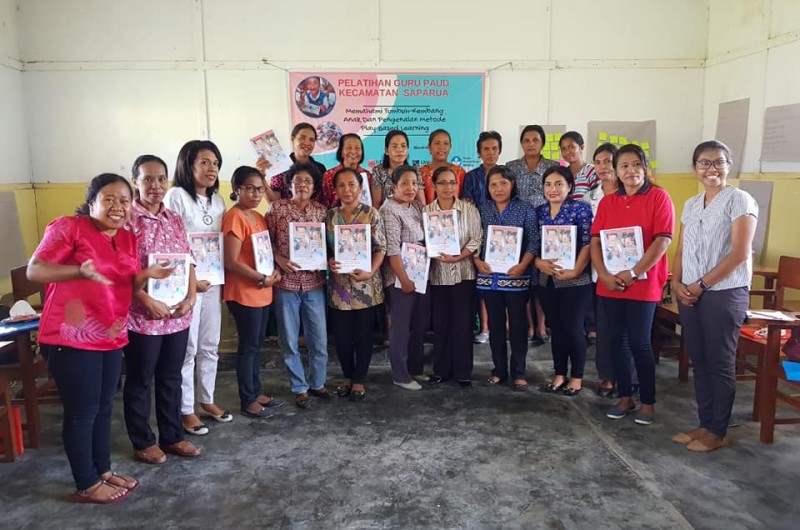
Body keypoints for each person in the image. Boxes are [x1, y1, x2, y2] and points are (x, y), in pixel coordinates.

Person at [27, 174, 172, 504]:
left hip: (111, 333)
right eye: (109, 199)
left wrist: (146, 276)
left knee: (105, 407)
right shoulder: (69, 227)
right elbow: (35, 270)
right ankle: (86, 482)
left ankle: (102, 471)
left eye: (124, 200)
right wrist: (78, 271)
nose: (118, 206)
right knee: (82, 412)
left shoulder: (127, 238)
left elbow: (124, 280)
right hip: (70, 336)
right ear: (91, 202)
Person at [672, 140, 757, 452]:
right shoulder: (692, 204)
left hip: (723, 293)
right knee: (700, 360)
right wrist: (677, 282)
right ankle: (705, 423)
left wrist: (701, 285)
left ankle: (718, 430)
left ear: (728, 166)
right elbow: (681, 249)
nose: (712, 169)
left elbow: (739, 253)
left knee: (720, 362)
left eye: (718, 162)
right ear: (695, 168)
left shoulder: (740, 200)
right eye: (704, 163)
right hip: (690, 292)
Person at [124, 155, 201, 465]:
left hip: (176, 315)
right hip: (142, 316)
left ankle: (172, 436)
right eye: (148, 179)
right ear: (135, 182)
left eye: (160, 179)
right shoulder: (127, 220)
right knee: (141, 379)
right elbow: (121, 271)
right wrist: (146, 301)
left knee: (171, 376)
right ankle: (142, 441)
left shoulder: (174, 218)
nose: (155, 186)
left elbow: (189, 260)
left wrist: (191, 298)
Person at [590, 144, 674, 425]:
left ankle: (647, 402)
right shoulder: (608, 202)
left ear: (645, 167)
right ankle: (625, 397)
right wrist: (603, 274)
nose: (630, 171)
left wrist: (635, 272)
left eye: (636, 164)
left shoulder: (659, 198)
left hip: (642, 284)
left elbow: (662, 241)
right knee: (616, 343)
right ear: (616, 171)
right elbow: (595, 241)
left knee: (639, 343)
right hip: (610, 284)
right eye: (624, 166)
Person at [164, 140, 231, 436]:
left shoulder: (218, 201)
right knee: (187, 348)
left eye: (215, 163)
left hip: (213, 282)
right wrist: (192, 281)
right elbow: (172, 243)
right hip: (185, 286)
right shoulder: (176, 196)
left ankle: (208, 400)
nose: (211, 168)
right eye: (204, 162)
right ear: (188, 165)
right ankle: (185, 409)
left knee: (209, 345)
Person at [267, 162, 330, 408]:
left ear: (314, 187)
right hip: (286, 284)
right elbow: (265, 242)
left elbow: (331, 244)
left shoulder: (322, 212)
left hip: (314, 283)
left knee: (319, 339)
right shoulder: (276, 209)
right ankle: (299, 386)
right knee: (290, 340)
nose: (302, 185)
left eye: (307, 181)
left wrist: (325, 260)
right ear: (289, 184)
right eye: (297, 181)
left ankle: (318, 382)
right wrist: (278, 258)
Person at [222, 166, 283, 418]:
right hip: (244, 292)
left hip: (262, 290)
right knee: (247, 347)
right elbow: (231, 261)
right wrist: (261, 278)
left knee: (256, 345)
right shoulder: (234, 216)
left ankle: (256, 390)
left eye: (259, 189)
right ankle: (247, 399)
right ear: (237, 190)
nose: (256, 194)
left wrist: (274, 272)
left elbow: (264, 254)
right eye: (250, 188)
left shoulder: (257, 217)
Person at [325, 167, 387, 401]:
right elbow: (325, 249)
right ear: (336, 189)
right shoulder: (330, 216)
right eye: (341, 185)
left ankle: (359, 379)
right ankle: (347, 376)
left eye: (352, 184)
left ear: (361, 188)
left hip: (366, 286)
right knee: (341, 336)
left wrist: (370, 271)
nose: (347, 189)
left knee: (363, 335)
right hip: (340, 288)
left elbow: (381, 248)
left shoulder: (372, 214)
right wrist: (329, 261)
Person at [473, 166, 537, 391]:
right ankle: (499, 370)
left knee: (518, 326)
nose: (498, 188)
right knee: (495, 325)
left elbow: (533, 242)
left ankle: (519, 372)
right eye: (493, 184)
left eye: (503, 183)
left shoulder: (526, 209)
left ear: (513, 185)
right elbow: (474, 240)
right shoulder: (482, 210)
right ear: (487, 188)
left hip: (516, 279)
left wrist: (523, 265)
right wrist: (476, 261)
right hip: (490, 278)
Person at [533, 166, 594, 396]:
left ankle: (576, 377)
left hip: (575, 280)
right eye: (548, 184)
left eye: (559, 184)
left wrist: (576, 270)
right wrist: (539, 264)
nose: (553, 189)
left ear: (570, 187)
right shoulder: (539, 212)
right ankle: (559, 374)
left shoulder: (581, 209)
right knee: (556, 328)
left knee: (574, 328)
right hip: (547, 280)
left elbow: (588, 243)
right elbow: (531, 245)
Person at [583, 143, 637, 397]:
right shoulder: (589, 197)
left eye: (608, 161)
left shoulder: (635, 194)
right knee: (605, 328)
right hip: (601, 272)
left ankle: (630, 377)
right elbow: (588, 237)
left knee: (631, 329)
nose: (603, 167)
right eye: (598, 162)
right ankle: (607, 377)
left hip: (632, 273)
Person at [425, 166, 482, 387]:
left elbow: (476, 239)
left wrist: (459, 256)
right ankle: (441, 370)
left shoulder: (469, 210)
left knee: (462, 324)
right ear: (434, 185)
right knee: (441, 325)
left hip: (464, 275)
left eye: (452, 183)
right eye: (442, 183)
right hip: (437, 276)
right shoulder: (427, 212)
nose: (447, 187)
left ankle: (463, 372)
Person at [380, 165, 430, 390]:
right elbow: (392, 250)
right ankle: (400, 374)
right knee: (401, 326)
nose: (410, 188)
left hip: (420, 273)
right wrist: (405, 279)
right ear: (394, 186)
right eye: (404, 183)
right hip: (400, 277)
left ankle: (415, 369)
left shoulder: (418, 207)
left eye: (414, 183)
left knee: (419, 324)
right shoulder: (388, 209)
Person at [507, 125, 559, 346]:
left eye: (535, 140)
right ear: (521, 143)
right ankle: (528, 324)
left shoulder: (552, 166)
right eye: (526, 140)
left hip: (546, 225)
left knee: (541, 279)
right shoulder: (512, 167)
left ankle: (541, 324)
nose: (530, 144)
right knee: (523, 278)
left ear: (542, 143)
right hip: (518, 228)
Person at [462, 131, 503, 344]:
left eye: (494, 148)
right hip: (479, 234)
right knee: (484, 282)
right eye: (486, 149)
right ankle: (485, 328)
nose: (490, 153)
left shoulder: (508, 174)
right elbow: (467, 205)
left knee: (505, 280)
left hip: (505, 236)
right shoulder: (471, 177)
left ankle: (503, 326)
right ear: (479, 152)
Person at [258, 122, 326, 203]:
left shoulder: (320, 168)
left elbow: (324, 199)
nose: (307, 143)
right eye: (302, 138)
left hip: (315, 215)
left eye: (311, 140)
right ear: (292, 139)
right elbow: (273, 201)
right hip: (285, 214)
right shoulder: (282, 167)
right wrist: (261, 178)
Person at [370, 130, 425, 207]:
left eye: (403, 146)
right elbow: (377, 203)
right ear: (386, 151)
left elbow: (421, 203)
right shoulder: (378, 171)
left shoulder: (415, 171)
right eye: (394, 146)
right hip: (385, 215)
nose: (399, 150)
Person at [319, 133, 371, 209]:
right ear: (341, 152)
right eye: (349, 148)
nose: (353, 151)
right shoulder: (329, 175)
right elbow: (324, 204)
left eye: (357, 148)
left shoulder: (368, 175)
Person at [419, 129, 467, 204]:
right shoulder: (420, 173)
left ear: (450, 147)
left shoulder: (459, 172)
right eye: (437, 143)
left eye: (446, 143)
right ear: (429, 147)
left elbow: (464, 200)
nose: (441, 147)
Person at [559, 131, 598, 200]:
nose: (567, 152)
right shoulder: (562, 174)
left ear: (581, 147)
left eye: (571, 147)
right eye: (563, 149)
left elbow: (597, 199)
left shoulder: (592, 171)